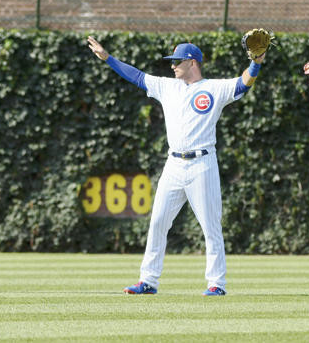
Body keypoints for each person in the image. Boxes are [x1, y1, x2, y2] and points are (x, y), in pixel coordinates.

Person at [87, 36, 267, 296]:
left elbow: (242, 85)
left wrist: (256, 63)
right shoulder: (166, 87)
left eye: (177, 62)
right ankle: (148, 281)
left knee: (210, 226)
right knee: (158, 222)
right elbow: (136, 76)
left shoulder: (214, 88)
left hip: (202, 164)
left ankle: (217, 283)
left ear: (192, 62)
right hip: (173, 165)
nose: (172, 66)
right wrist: (108, 59)